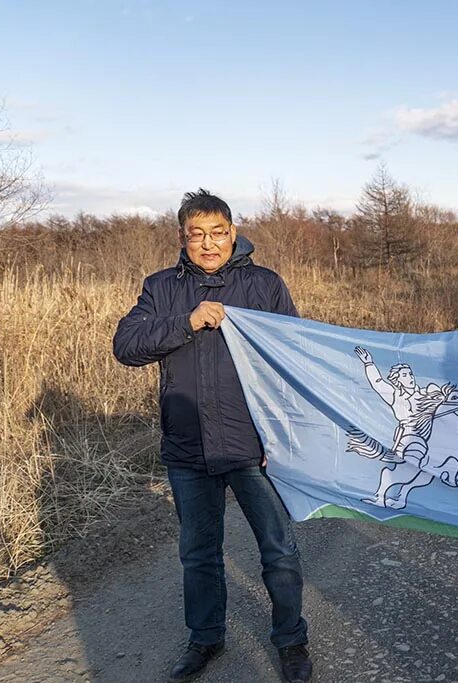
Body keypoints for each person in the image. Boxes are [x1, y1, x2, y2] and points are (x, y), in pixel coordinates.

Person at [113, 189, 313, 683]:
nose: (208, 243)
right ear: (183, 237)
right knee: (199, 555)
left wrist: (284, 439)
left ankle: (291, 640)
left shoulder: (264, 285)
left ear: (233, 232)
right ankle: (205, 638)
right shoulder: (160, 289)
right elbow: (127, 346)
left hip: (254, 447)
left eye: (218, 233)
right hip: (189, 448)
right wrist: (187, 321)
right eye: (197, 234)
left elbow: (294, 359)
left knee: (279, 550)